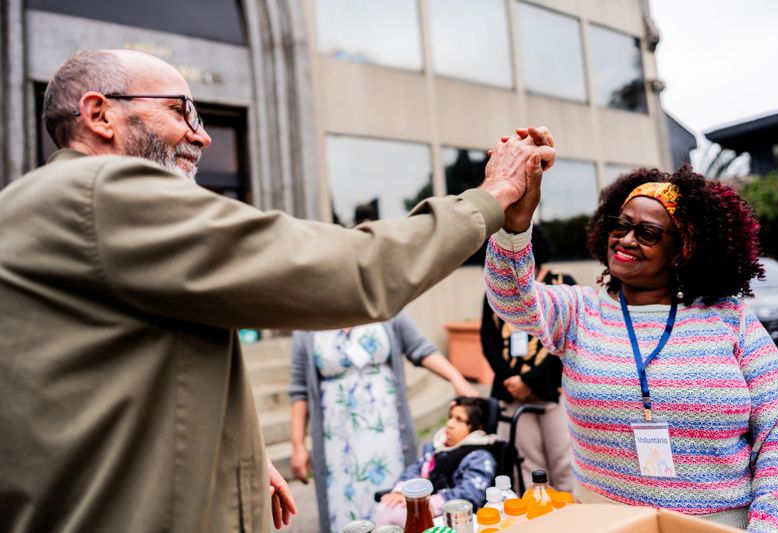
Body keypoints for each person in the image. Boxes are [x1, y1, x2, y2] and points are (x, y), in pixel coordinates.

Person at [0, 48, 555, 533]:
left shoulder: (38, 205)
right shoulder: (104, 193)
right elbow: (349, 269)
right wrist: (491, 195)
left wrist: (233, 455)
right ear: (100, 114)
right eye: (180, 110)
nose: (201, 134)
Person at [484, 165, 778, 531]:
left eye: (647, 232)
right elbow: (512, 297)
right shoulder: (580, 312)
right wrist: (514, 227)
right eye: (620, 225)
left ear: (684, 247)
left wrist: (772, 527)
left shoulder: (730, 319)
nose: (626, 239)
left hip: (717, 527)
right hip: (605, 524)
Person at [288, 311, 479, 533]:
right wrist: (297, 444)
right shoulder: (305, 323)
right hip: (337, 448)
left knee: (394, 507)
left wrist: (457, 379)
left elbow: (421, 348)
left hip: (388, 439)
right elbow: (299, 388)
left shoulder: (384, 306)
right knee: (343, 513)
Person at [480, 224, 574, 492]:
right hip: (513, 394)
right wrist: (512, 380)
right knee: (527, 467)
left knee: (563, 464)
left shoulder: (561, 282)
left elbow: (567, 337)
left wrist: (531, 380)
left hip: (552, 391)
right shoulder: (495, 291)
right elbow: (488, 343)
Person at [374, 397, 497, 526]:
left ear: (477, 428)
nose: (449, 424)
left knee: (390, 511)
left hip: (452, 518)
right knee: (388, 505)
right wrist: (401, 492)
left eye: (459, 420)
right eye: (451, 417)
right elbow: (415, 469)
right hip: (423, 507)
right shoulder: (435, 448)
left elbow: (471, 492)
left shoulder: (479, 458)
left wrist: (432, 504)